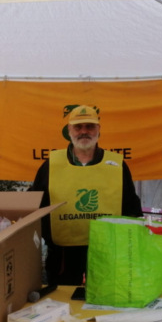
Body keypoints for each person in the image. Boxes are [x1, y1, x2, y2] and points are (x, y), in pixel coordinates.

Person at [29, 105, 142, 286]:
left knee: (105, 299)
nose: (84, 132)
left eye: (89, 126)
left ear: (98, 129)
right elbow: (35, 204)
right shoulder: (51, 165)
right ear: (69, 130)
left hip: (107, 253)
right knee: (62, 300)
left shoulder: (116, 165)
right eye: (78, 127)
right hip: (63, 256)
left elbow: (131, 208)